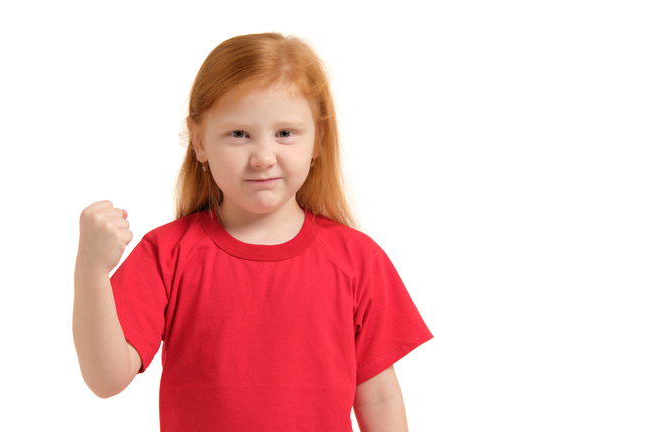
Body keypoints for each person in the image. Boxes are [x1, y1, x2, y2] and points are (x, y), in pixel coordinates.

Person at [73, 32, 433, 432]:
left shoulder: (358, 259)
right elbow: (106, 380)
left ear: (319, 139)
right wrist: (90, 272)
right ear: (199, 142)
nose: (263, 157)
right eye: (239, 134)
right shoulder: (167, 253)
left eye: (285, 133)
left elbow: (379, 398)